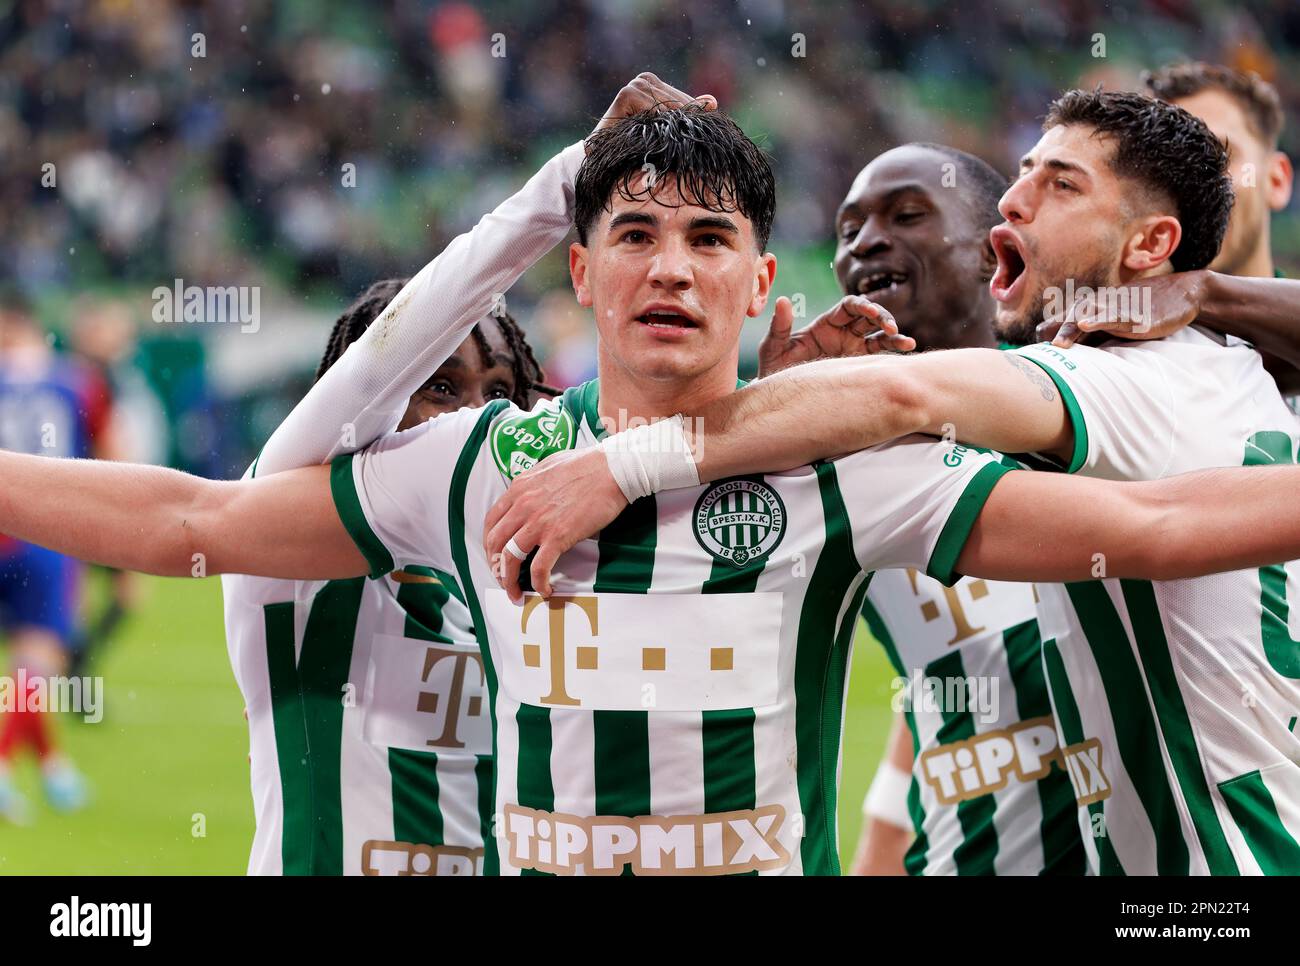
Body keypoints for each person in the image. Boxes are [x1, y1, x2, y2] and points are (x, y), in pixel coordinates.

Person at [6, 100, 1300, 877]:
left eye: (708, 239)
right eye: (634, 233)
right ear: (581, 273)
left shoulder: (839, 467)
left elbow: (1150, 526)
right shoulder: (478, 464)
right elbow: (195, 521)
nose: (670, 267)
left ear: (756, 280)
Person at [496, 90, 1300, 875]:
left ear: (1151, 243)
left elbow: (903, 397)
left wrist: (622, 461)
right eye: (1022, 173)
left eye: (1060, 184)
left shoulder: (1111, 385)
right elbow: (939, 691)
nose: (1015, 202)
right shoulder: (1221, 371)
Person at [221, 73, 690, 874]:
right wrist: (570, 182)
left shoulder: (536, 576)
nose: (477, 418)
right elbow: (376, 370)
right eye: (439, 388)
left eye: (501, 395)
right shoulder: (287, 556)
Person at [0, 290, 114, 821]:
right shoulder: (75, 380)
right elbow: (112, 459)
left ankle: (52, 769)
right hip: (45, 532)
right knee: (37, 664)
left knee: (25, 670)